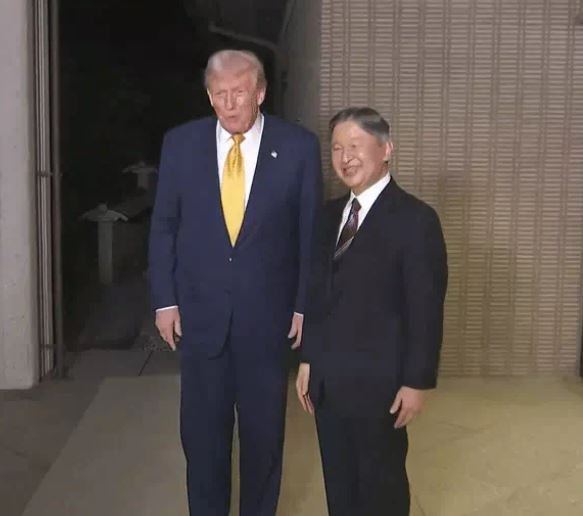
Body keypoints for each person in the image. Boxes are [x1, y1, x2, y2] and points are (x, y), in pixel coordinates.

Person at [149, 49, 322, 516]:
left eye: (239, 93)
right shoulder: (180, 144)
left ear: (260, 92)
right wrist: (165, 301)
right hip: (200, 319)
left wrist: (303, 305)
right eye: (219, 94)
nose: (229, 104)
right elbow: (164, 227)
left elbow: (309, 234)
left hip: (268, 323)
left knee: (264, 442)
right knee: (203, 441)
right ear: (209, 95)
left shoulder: (299, 147)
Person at [296, 107, 447, 516]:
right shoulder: (328, 217)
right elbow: (317, 294)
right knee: (339, 484)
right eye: (337, 148)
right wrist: (309, 358)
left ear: (386, 149)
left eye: (355, 145)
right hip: (329, 382)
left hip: (382, 385)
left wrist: (416, 381)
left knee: (382, 486)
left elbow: (425, 308)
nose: (345, 157)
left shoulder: (416, 220)